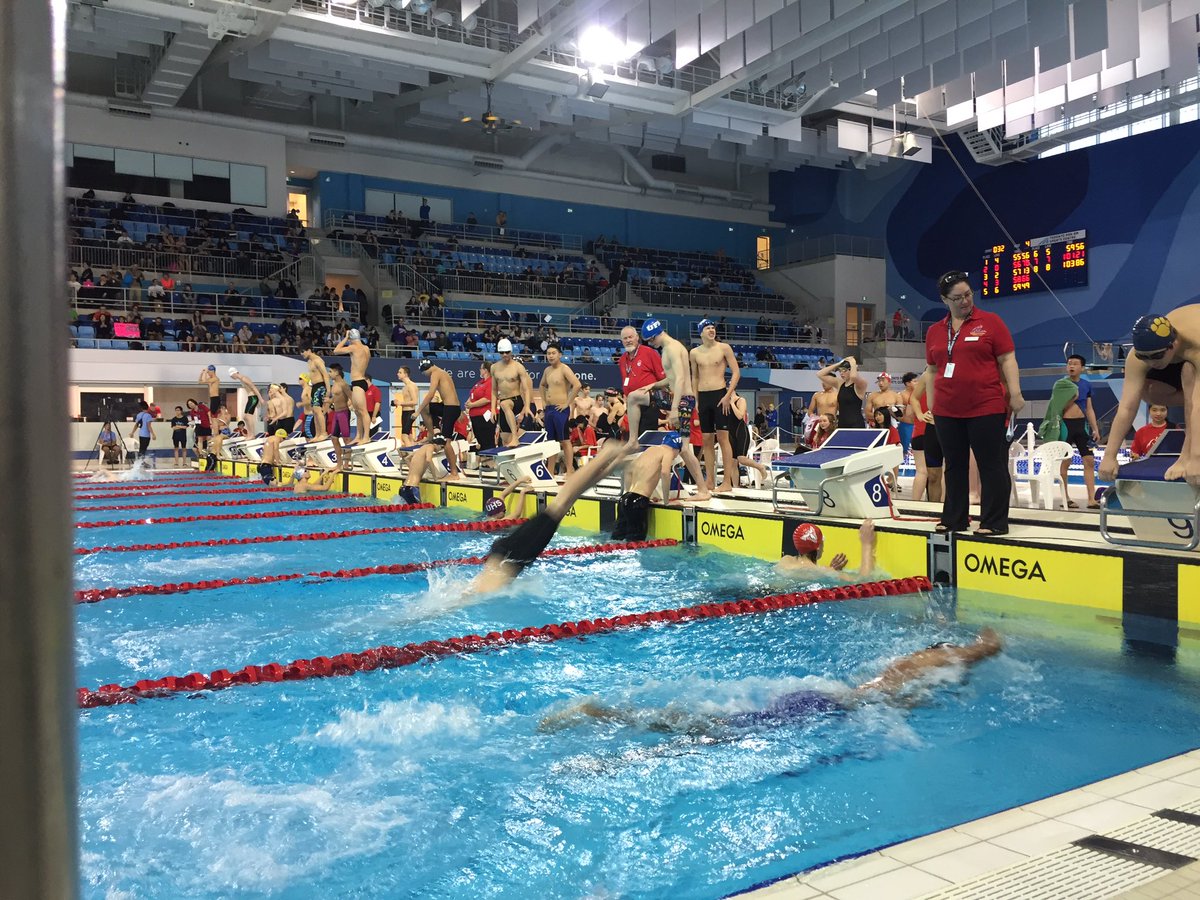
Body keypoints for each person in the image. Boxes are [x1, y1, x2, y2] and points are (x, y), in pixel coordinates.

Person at [540, 628, 1004, 736]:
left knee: (713, 725)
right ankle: (599, 713)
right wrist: (985, 644)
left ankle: (603, 714)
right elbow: (984, 648)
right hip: (821, 705)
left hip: (817, 698)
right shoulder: (928, 662)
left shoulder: (900, 670)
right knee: (710, 731)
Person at [917, 270, 1024, 536]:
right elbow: (931, 370)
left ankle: (993, 521)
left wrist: (1016, 392)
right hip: (947, 410)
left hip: (985, 406)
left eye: (968, 295)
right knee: (953, 465)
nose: (965, 301)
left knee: (991, 464)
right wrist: (932, 402)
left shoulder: (991, 322)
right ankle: (955, 519)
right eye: (957, 298)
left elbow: (1007, 359)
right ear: (944, 300)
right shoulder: (934, 331)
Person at [468, 439, 630, 594]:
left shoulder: (478, 592)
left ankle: (606, 454)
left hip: (515, 555)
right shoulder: (474, 588)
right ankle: (613, 464)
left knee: (563, 500)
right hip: (507, 555)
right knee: (568, 499)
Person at [1099, 312, 1200, 486]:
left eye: (1155, 356)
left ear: (1173, 345)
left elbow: (1198, 404)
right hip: (1180, 356)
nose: (1150, 362)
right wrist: (1109, 456)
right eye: (1143, 357)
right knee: (1148, 390)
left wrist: (1195, 457)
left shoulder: (1195, 345)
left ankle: (1186, 454)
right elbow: (1127, 407)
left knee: (1190, 374)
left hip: (1193, 348)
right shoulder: (1137, 357)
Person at [639, 319, 710, 500]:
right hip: (682, 400)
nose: (650, 344)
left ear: (654, 336)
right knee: (683, 448)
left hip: (683, 402)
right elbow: (672, 379)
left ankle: (703, 491)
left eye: (649, 341)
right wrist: (653, 385)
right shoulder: (672, 347)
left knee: (685, 448)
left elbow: (678, 380)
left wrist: (674, 408)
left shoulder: (670, 349)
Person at [690, 318, 741, 494]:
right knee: (706, 440)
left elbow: (736, 372)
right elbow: (695, 377)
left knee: (723, 438)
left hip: (720, 396)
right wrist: (696, 400)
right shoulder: (694, 353)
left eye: (713, 328)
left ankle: (726, 481)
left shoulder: (724, 348)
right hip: (703, 398)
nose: (711, 330)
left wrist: (728, 395)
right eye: (708, 328)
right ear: (701, 332)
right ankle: (710, 481)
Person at [1059, 354, 1102, 508]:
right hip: (1065, 425)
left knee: (1089, 460)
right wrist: (1073, 397)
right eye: (1069, 363)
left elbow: (1089, 408)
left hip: (1081, 426)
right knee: (1065, 462)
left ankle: (1091, 499)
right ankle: (1066, 498)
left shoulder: (1086, 385)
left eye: (1075, 364)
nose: (1071, 366)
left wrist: (1095, 428)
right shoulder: (1061, 384)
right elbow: (1057, 407)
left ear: (1082, 368)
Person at [775, 519, 877, 580]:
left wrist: (830, 569)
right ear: (818, 546)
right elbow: (863, 581)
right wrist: (866, 544)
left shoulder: (785, 560)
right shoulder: (821, 572)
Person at [618, 325, 668, 446]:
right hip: (633, 404)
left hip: (651, 399)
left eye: (630, 337)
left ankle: (638, 447)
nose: (628, 340)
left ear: (637, 337)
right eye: (625, 338)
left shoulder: (649, 352)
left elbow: (663, 377)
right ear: (622, 341)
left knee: (646, 438)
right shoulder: (622, 360)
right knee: (636, 436)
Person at [414, 360, 463, 480]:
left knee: (446, 443)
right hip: (450, 407)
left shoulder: (435, 373)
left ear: (426, 368)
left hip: (450, 409)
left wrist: (417, 411)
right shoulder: (442, 372)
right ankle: (431, 434)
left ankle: (454, 473)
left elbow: (431, 394)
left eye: (424, 373)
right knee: (426, 408)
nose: (425, 375)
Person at [539, 343, 582, 476]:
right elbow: (541, 385)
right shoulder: (547, 370)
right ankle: (550, 471)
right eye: (548, 353)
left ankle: (569, 470)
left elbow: (577, 385)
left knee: (564, 440)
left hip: (560, 409)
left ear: (560, 355)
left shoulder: (564, 369)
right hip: (550, 409)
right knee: (551, 442)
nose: (550, 356)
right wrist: (544, 402)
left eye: (553, 353)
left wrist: (567, 403)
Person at [491, 338, 533, 447]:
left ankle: (515, 437)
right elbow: (494, 390)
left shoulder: (518, 367)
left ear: (511, 351)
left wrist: (527, 407)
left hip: (516, 400)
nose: (504, 355)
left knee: (504, 404)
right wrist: (492, 409)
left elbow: (526, 389)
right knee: (505, 438)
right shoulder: (494, 368)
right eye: (502, 353)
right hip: (504, 401)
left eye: (507, 352)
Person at [334, 329, 372, 445]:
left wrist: (345, 338)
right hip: (360, 381)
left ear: (351, 339)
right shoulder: (366, 348)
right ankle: (359, 436)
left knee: (363, 411)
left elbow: (336, 350)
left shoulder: (354, 347)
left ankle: (366, 437)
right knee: (358, 411)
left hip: (358, 381)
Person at [908, 387, 943, 503]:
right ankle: (936, 508)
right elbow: (913, 399)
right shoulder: (929, 376)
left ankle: (947, 507)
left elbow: (908, 414)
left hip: (947, 426)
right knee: (934, 473)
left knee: (925, 472)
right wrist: (920, 415)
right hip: (930, 428)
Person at [816, 357, 866, 429]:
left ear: (851, 370)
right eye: (840, 371)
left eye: (844, 370)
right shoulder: (840, 384)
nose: (841, 373)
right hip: (842, 424)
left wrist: (852, 361)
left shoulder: (861, 384)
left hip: (856, 424)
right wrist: (839, 363)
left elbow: (854, 376)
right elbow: (820, 374)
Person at [322, 363, 354, 469]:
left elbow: (352, 397)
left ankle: (346, 463)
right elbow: (336, 399)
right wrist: (329, 400)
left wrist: (354, 408)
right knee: (334, 438)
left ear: (336, 372)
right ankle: (339, 463)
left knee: (346, 439)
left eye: (330, 371)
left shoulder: (343, 384)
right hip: (336, 413)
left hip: (344, 413)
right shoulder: (334, 384)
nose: (329, 374)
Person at [300, 342, 331, 440]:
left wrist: (328, 390)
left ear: (309, 350)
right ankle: (317, 434)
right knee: (314, 411)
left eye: (303, 351)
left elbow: (325, 375)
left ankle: (324, 433)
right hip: (314, 386)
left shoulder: (318, 360)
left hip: (321, 386)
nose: (302, 354)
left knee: (318, 410)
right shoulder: (309, 362)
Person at [465, 362, 497, 452]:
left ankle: (490, 460)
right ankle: (484, 460)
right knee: (480, 439)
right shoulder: (479, 383)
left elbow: (487, 398)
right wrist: (468, 402)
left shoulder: (491, 382)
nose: (479, 370)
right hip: (475, 416)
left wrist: (472, 404)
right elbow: (472, 395)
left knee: (487, 438)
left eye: (481, 368)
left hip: (485, 415)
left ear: (485, 370)